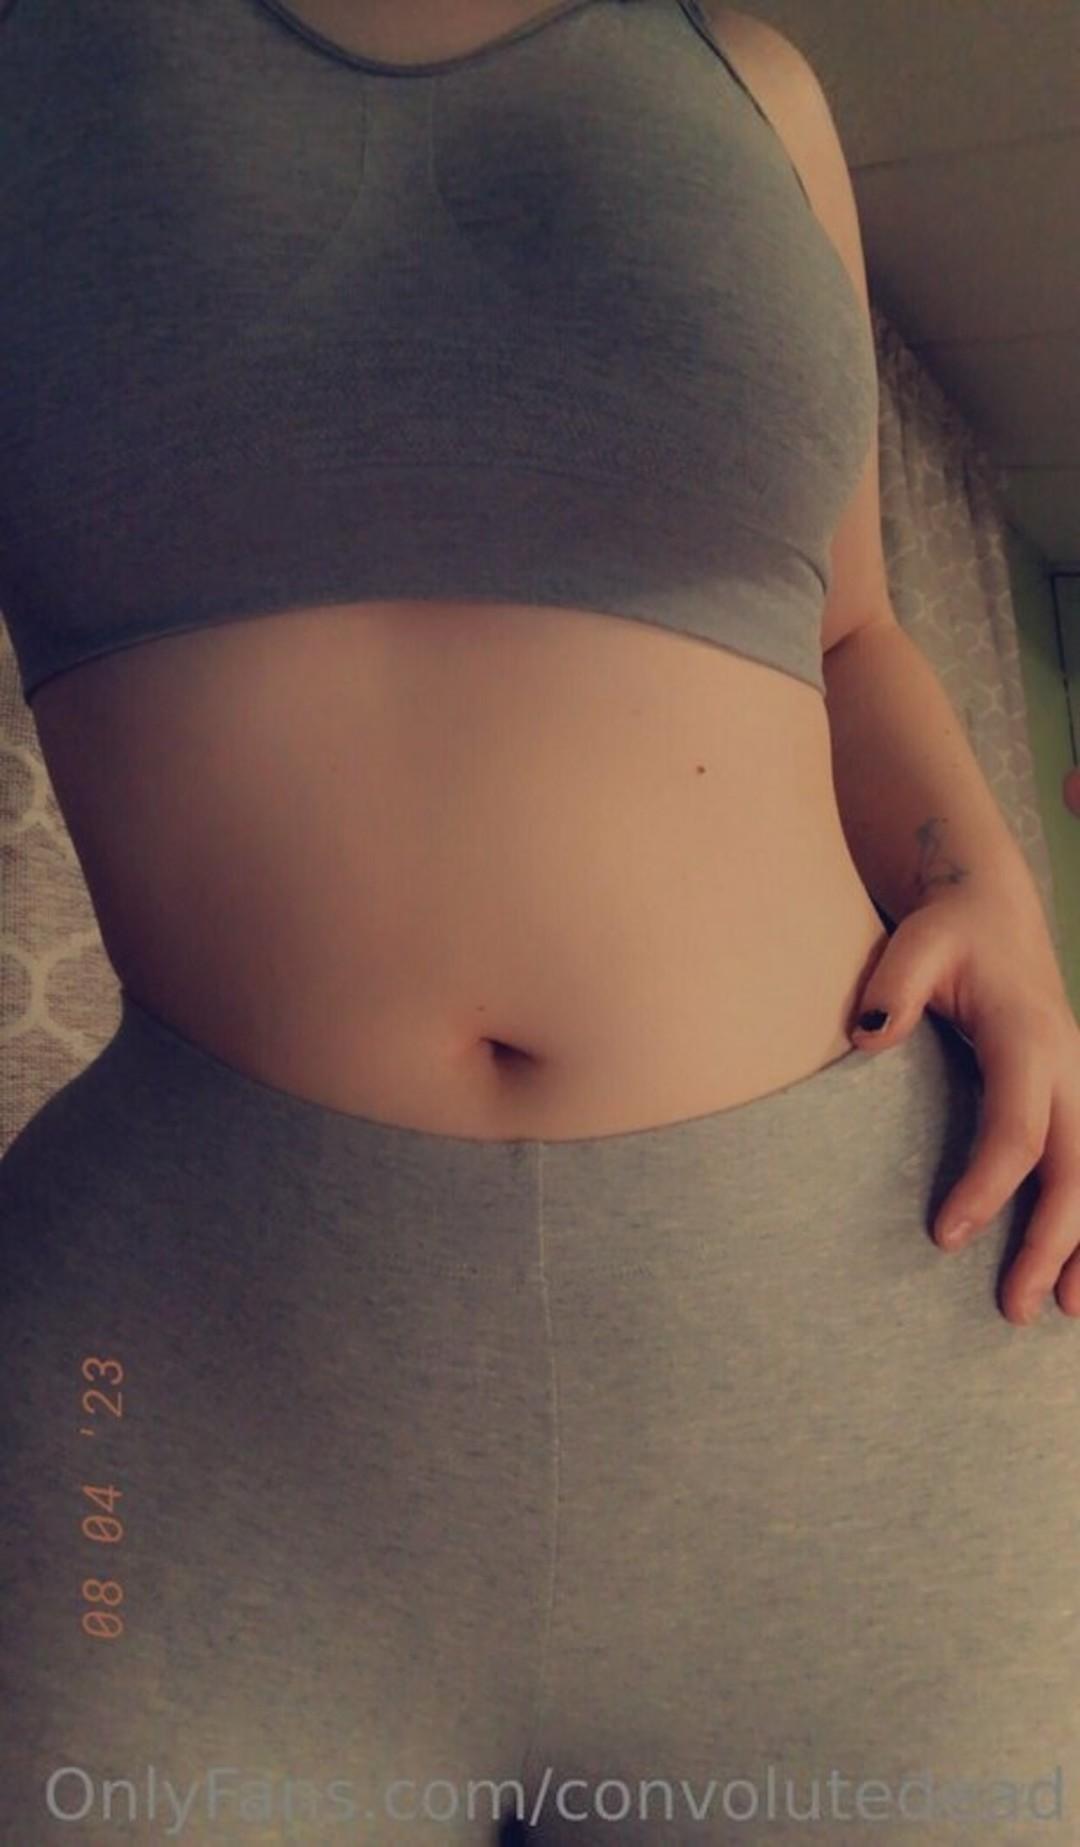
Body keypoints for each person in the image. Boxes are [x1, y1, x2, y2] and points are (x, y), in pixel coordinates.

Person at [1, 1, 1078, 1842]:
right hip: (198, 1387)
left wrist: (991, 890)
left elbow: (848, 625)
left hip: (866, 1332)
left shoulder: (749, 85)